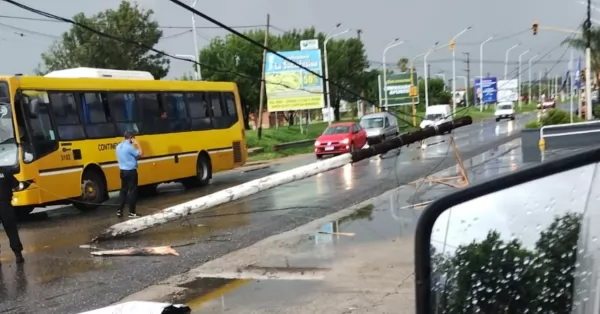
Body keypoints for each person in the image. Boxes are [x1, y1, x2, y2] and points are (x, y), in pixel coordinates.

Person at [115, 131, 143, 218]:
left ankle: (119, 210)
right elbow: (141, 154)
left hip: (122, 171)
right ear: (131, 138)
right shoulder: (129, 147)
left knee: (123, 191)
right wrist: (137, 144)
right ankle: (132, 212)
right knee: (133, 191)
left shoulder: (118, 146)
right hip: (131, 171)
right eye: (133, 138)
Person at [0, 168, 24, 263]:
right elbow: (16, 185)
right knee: (11, 230)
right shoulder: (5, 171)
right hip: (5, 205)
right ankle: (18, 254)